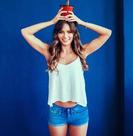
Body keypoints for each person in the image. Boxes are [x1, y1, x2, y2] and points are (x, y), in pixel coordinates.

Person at [21, 8, 112, 136]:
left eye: (69, 32)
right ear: (57, 34)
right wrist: (52, 21)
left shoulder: (82, 52)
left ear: (74, 34)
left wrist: (81, 22)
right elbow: (25, 32)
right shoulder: (49, 53)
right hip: (57, 112)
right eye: (61, 32)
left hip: (79, 111)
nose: (65, 36)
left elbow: (107, 33)